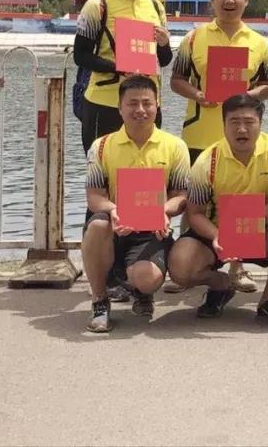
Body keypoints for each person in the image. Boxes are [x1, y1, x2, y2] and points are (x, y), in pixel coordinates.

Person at [170, 0, 268, 294]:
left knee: (240, 200)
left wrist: (246, 96)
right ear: (212, 0)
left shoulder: (259, 43)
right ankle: (185, 263)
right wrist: (198, 95)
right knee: (193, 200)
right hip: (200, 132)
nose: (229, 0)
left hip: (241, 137)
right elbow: (176, 80)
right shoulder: (193, 39)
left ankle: (237, 267)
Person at [166, 93, 268, 328]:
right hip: (218, 231)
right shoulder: (206, 161)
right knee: (180, 266)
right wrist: (219, 235)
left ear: (260, 123)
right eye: (234, 122)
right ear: (223, 125)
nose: (242, 129)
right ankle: (221, 286)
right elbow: (195, 213)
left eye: (249, 122)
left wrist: (245, 224)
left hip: (262, 228)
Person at [81, 76, 191, 333]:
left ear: (157, 105)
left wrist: (164, 210)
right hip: (115, 225)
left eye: (146, 103)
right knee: (97, 226)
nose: (140, 110)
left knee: (147, 279)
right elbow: (94, 197)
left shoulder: (175, 146)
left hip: (152, 230)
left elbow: (181, 196)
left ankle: (139, 290)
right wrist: (114, 210)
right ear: (119, 107)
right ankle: (100, 301)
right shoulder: (101, 146)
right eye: (132, 103)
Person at [75, 0, 172, 155]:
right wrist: (118, 67)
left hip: (147, 106)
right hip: (106, 104)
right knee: (104, 170)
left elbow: (164, 60)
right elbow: (81, 56)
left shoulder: (155, 6)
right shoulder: (98, 5)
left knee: (144, 169)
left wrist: (164, 43)